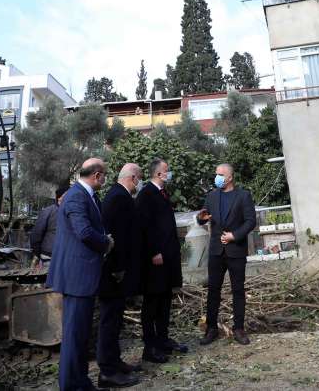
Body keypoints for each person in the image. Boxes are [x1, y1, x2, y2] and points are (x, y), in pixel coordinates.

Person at [47, 158, 114, 391]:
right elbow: (84, 232)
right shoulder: (77, 196)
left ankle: (80, 382)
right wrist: (106, 243)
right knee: (74, 336)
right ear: (96, 175)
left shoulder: (87, 196)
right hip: (77, 277)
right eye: (104, 174)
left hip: (82, 276)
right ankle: (71, 385)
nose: (106, 178)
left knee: (80, 335)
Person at [196, 163, 256, 346]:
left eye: (221, 174)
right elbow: (203, 217)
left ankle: (238, 328)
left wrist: (234, 236)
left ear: (230, 177)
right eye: (216, 174)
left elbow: (250, 221)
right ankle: (211, 328)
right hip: (216, 251)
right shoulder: (212, 196)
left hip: (235, 250)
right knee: (213, 290)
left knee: (238, 290)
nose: (217, 177)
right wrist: (201, 218)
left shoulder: (243, 196)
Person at [96, 164, 144, 388]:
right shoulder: (117, 198)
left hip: (117, 272)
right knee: (109, 322)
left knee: (115, 321)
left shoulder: (119, 195)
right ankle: (107, 371)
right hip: (113, 272)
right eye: (140, 179)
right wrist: (117, 268)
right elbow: (113, 237)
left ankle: (115, 362)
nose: (139, 183)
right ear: (133, 178)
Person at [135, 158, 185, 363]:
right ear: (158, 174)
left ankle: (163, 340)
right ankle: (150, 346)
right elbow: (143, 227)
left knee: (165, 301)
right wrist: (153, 251)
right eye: (167, 171)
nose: (169, 173)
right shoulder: (146, 194)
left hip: (168, 259)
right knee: (152, 303)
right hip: (155, 260)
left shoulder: (161, 193)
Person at [30, 185, 69, 264]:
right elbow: (37, 233)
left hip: (66, 257)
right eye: (67, 195)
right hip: (48, 257)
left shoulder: (72, 212)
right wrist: (37, 253)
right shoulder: (48, 211)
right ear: (59, 198)